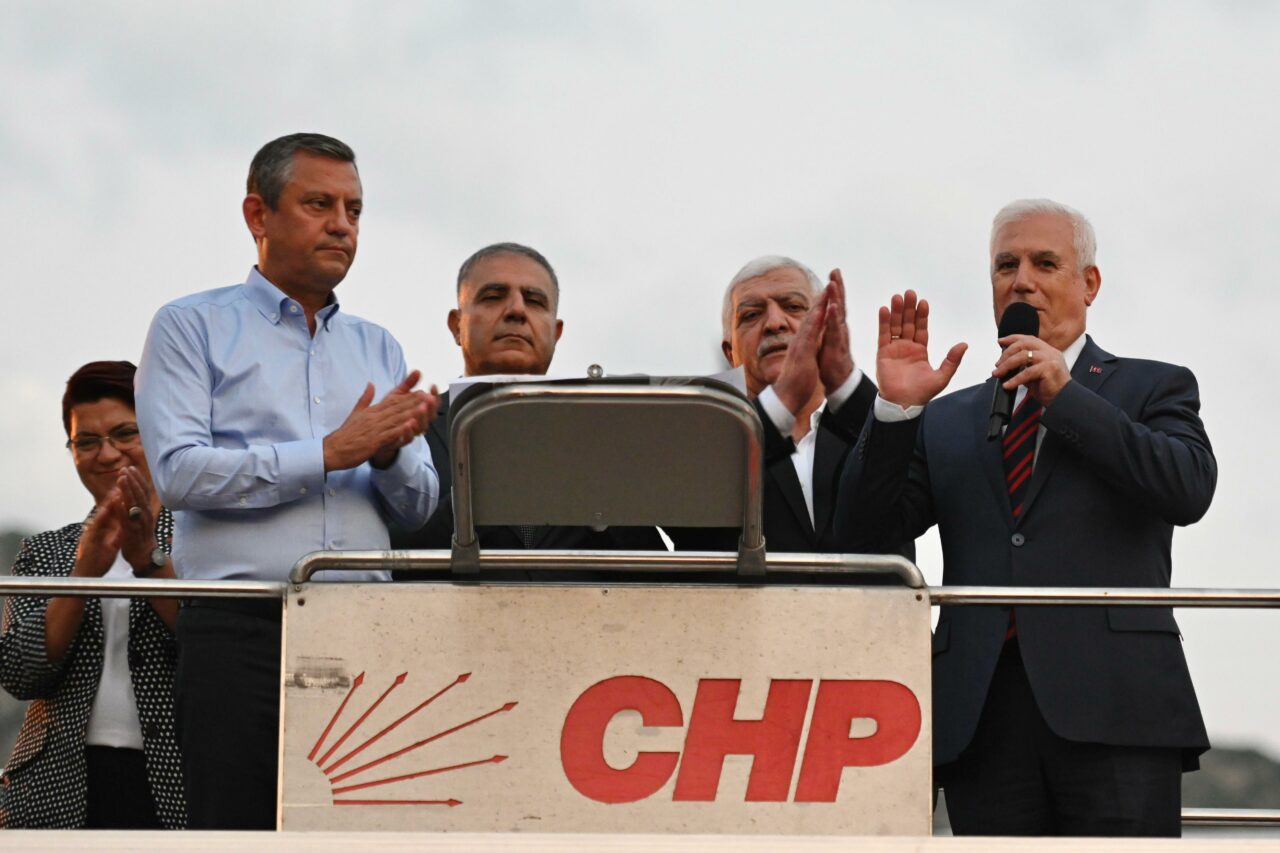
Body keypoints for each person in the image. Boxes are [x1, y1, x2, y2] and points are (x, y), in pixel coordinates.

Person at [835, 199, 1213, 836]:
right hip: (982, 715)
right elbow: (863, 537)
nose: (1022, 280)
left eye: (1045, 262)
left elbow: (1187, 488)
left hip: (1118, 709)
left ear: (1088, 283)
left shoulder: (1153, 387)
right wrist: (896, 413)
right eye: (1006, 265)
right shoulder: (950, 417)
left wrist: (1066, 398)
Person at [136, 133, 439, 829]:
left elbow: (420, 505)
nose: (342, 224)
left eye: (355, 209)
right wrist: (329, 452)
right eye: (319, 203)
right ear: (258, 214)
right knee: (237, 830)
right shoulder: (190, 326)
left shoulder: (379, 343)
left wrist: (389, 453)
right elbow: (179, 472)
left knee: (366, 834)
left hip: (368, 629)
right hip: (240, 628)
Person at [0, 361, 185, 829]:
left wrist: (148, 558)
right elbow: (21, 674)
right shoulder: (47, 550)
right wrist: (84, 572)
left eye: (125, 433)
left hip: (180, 781)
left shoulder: (205, 539)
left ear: (159, 433)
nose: (107, 454)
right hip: (55, 789)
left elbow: (216, 650)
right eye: (86, 442)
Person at [390, 242, 664, 557]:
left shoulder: (598, 439)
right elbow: (381, 554)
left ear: (556, 332)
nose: (517, 311)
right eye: (493, 297)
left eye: (534, 301)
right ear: (457, 325)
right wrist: (479, 493)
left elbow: (653, 568)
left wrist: (605, 499)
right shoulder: (408, 430)